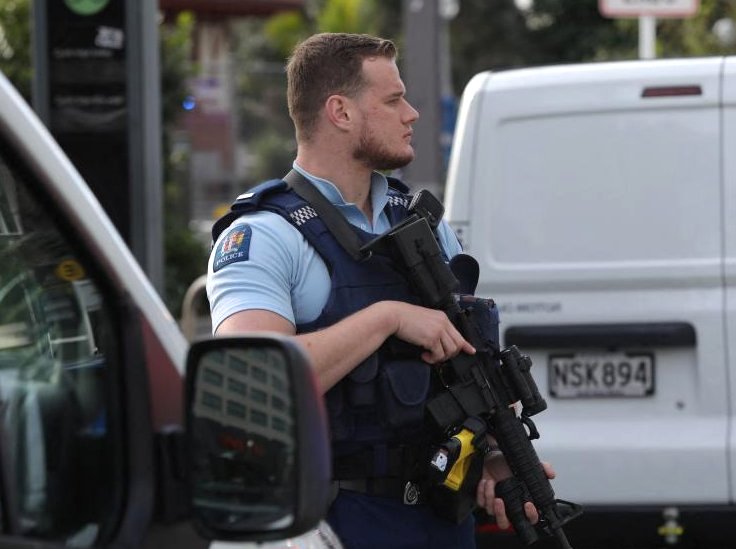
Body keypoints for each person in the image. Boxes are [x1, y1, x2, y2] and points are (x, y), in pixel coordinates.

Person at [207, 33, 554, 548]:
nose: (412, 113)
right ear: (340, 112)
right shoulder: (263, 235)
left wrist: (498, 461)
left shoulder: (422, 225)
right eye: (393, 100)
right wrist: (386, 318)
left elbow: (468, 365)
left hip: (442, 517)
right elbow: (255, 383)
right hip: (335, 522)